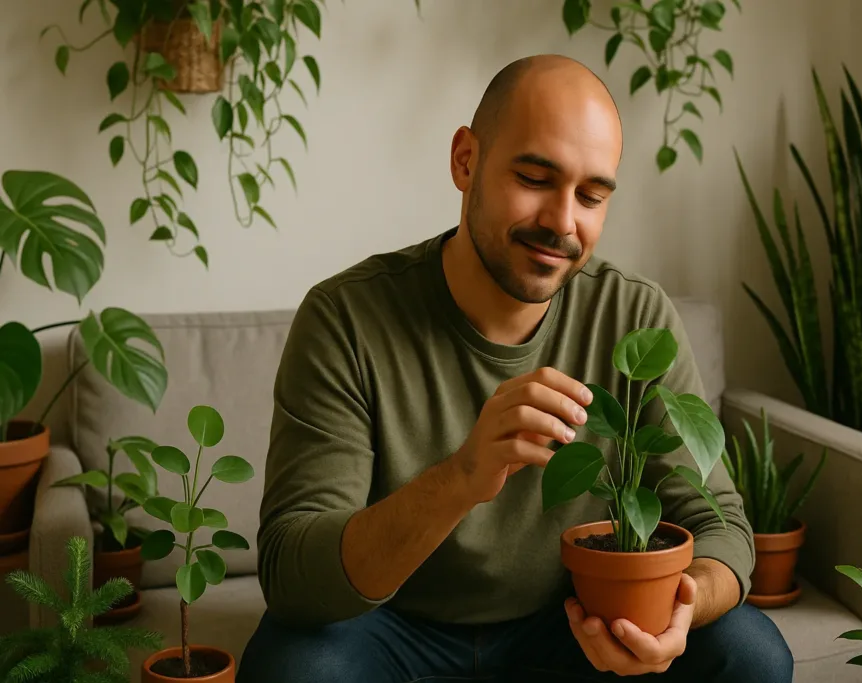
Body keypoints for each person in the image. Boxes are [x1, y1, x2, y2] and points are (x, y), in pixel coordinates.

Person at [237, 54, 793, 682]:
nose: (562, 222)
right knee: (294, 669)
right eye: (534, 177)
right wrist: (465, 476)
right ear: (464, 161)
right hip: (390, 629)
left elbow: (720, 528)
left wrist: (676, 618)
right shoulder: (346, 318)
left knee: (751, 654)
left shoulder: (634, 314)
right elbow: (291, 571)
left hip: (575, 627)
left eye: (591, 196)